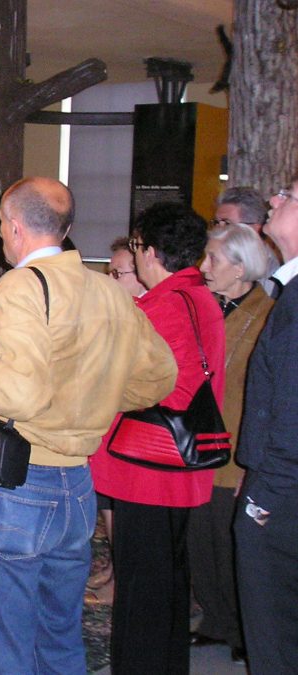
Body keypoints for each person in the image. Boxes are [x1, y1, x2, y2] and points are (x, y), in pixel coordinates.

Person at [0, 178, 177, 674]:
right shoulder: (107, 289)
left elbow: (19, 394)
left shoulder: (20, 286)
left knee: (3, 643)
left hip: (19, 485)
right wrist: (89, 396)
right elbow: (160, 377)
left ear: (12, 227)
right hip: (78, 486)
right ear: (67, 227)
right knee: (58, 639)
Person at [90, 202, 224, 675]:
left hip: (147, 468)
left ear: (150, 251)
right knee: (166, 585)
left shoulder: (165, 303)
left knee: (142, 592)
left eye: (135, 246)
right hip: (177, 466)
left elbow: (166, 385)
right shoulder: (198, 297)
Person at [188, 223, 275, 663]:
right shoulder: (208, 307)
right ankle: (217, 620)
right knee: (200, 542)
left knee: (229, 545)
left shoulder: (268, 314)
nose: (204, 268)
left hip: (237, 450)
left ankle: (243, 628)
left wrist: (254, 465)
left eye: (213, 261)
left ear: (241, 269)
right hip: (198, 446)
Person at [234, 177, 298, 675]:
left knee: (275, 630)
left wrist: (264, 495)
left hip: (283, 492)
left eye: (289, 195)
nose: (274, 201)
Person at [84, 237, 148, 606]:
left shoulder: (142, 314)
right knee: (106, 501)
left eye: (118, 273)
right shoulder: (118, 309)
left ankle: (122, 578)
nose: (111, 279)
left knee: (117, 505)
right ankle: (113, 567)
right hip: (107, 419)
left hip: (127, 423)